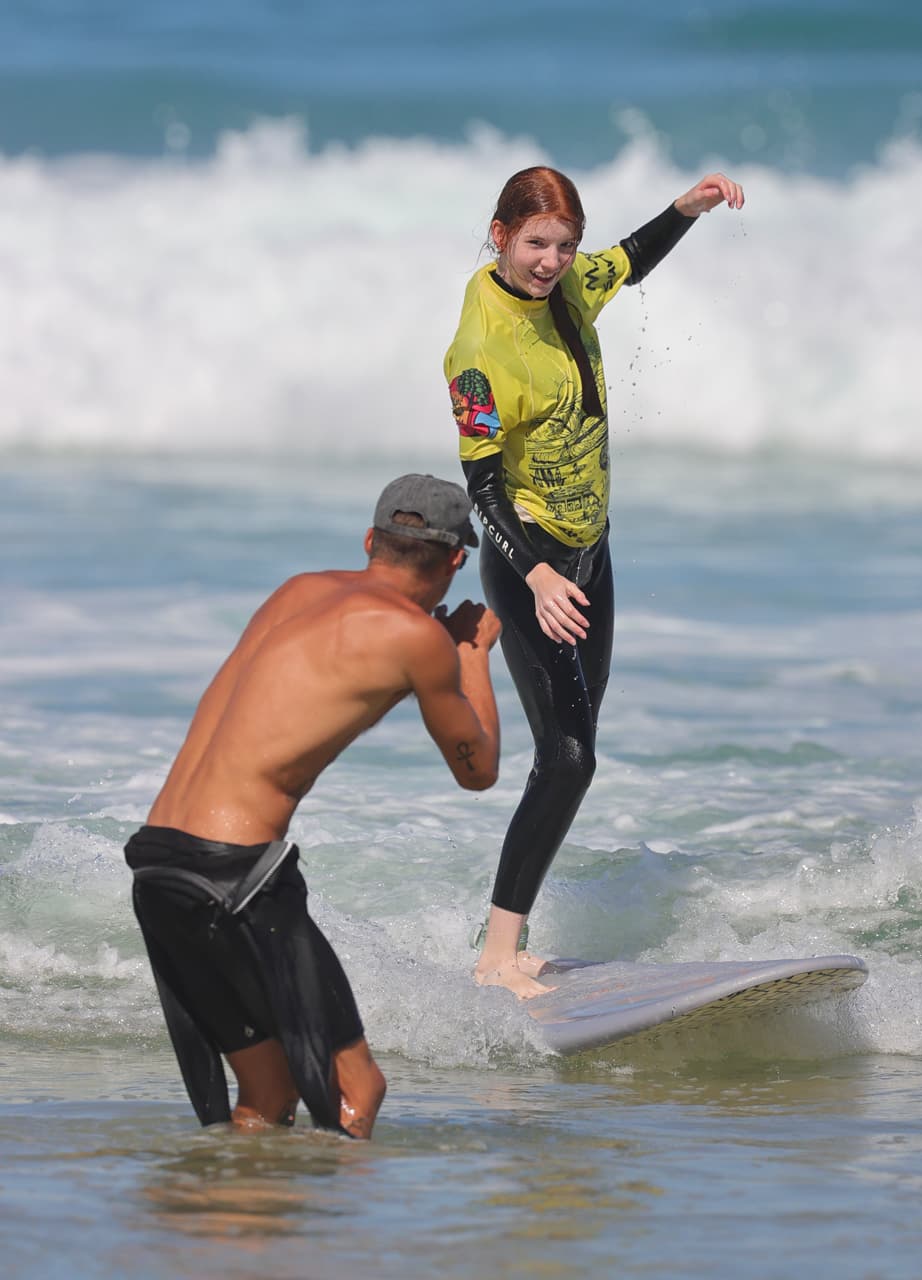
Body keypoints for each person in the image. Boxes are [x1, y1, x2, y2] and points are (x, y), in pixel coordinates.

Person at [124, 474, 501, 1139]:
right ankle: (330, 1244)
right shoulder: (420, 639)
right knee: (357, 1086)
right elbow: (479, 772)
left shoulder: (297, 590)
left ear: (369, 541)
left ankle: (227, 1233)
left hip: (158, 866)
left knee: (267, 1096)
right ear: (456, 560)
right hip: (236, 875)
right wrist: (471, 656)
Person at [445, 165, 745, 998]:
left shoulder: (574, 284)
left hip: (590, 554)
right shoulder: (478, 353)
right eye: (536, 243)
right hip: (529, 563)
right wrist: (537, 574)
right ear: (500, 234)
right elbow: (482, 491)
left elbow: (631, 259)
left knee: (566, 756)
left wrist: (687, 207)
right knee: (571, 759)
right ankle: (495, 958)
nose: (551, 261)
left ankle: (506, 936)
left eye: (564, 245)